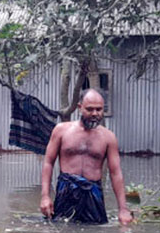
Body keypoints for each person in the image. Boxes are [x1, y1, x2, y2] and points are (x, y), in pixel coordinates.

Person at [40, 89, 134, 225]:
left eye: (99, 109)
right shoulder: (61, 130)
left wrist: (123, 209)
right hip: (66, 191)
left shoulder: (108, 137)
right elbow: (48, 162)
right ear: (79, 108)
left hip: (93, 192)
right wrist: (45, 196)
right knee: (61, 231)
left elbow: (115, 173)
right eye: (90, 109)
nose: (95, 113)